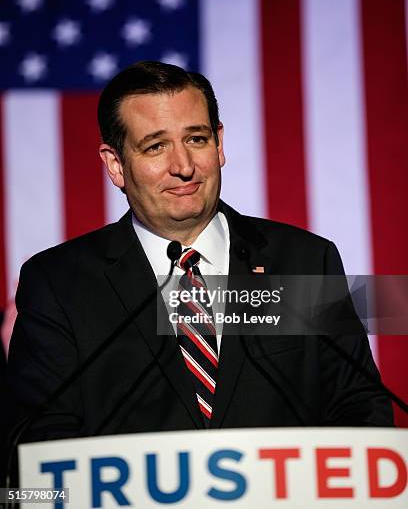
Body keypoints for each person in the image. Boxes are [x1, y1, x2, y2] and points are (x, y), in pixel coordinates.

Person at [6, 61, 393, 444]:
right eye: (155, 147)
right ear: (115, 165)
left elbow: (358, 407)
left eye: (196, 139)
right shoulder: (59, 284)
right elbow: (38, 442)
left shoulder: (306, 262)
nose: (184, 166)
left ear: (219, 144)